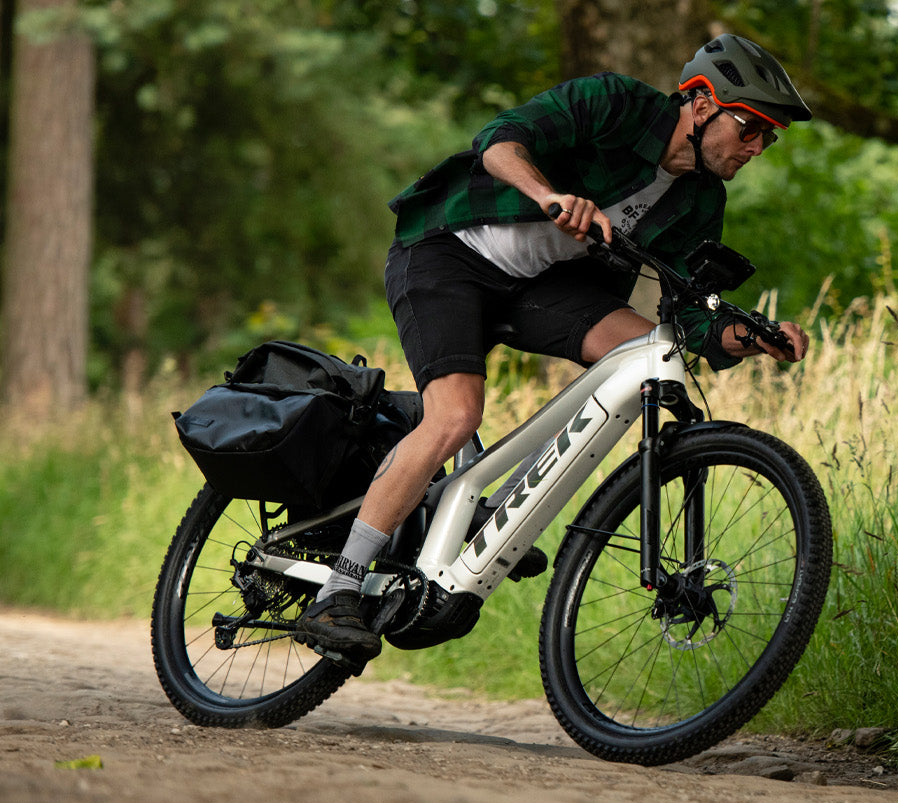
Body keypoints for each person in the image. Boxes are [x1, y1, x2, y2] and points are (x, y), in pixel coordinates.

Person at [294, 34, 813, 668]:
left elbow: (689, 315)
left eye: (771, 137)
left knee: (652, 348)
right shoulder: (615, 103)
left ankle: (505, 506)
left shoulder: (702, 200)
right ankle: (340, 587)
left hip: (541, 291)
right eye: (752, 126)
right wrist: (549, 196)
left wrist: (754, 339)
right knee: (455, 416)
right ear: (702, 104)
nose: (758, 147)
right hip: (449, 255)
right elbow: (501, 141)